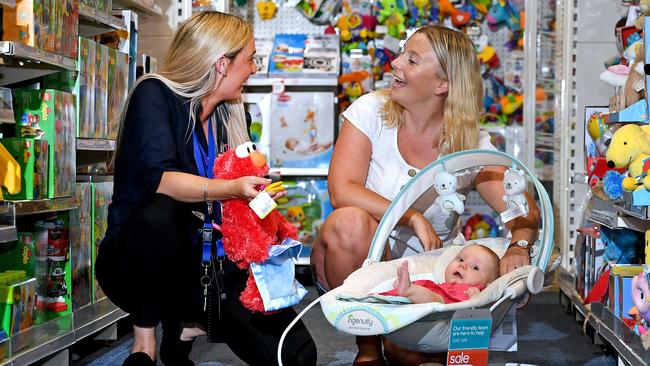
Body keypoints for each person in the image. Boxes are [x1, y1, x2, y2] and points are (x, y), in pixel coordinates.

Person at [310, 24, 540, 366]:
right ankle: (369, 345)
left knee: (412, 360)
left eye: (412, 60)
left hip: (429, 279)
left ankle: (400, 342)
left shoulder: (469, 143)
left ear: (442, 84)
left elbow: (524, 207)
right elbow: (341, 190)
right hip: (357, 262)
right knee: (349, 221)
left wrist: (519, 246)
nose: (395, 63)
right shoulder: (370, 111)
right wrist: (411, 215)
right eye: (403, 53)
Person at [95, 11, 316, 366]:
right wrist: (232, 188)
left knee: (298, 356)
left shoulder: (231, 114)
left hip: (210, 271)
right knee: (158, 212)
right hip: (140, 265)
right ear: (222, 64)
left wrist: (256, 200)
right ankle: (145, 343)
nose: (255, 68)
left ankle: (185, 327)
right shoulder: (154, 95)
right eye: (251, 59)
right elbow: (162, 180)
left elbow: (235, 202)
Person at [387, 244, 500, 304]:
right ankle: (406, 288)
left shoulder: (472, 291)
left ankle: (409, 289)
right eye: (460, 259)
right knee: (427, 285)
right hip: (432, 296)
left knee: (439, 299)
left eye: (475, 267)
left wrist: (478, 296)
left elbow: (481, 305)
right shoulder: (440, 285)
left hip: (447, 305)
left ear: (488, 285)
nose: (463, 265)